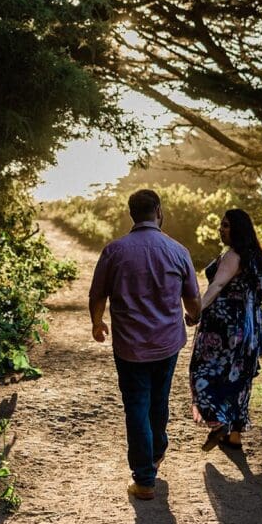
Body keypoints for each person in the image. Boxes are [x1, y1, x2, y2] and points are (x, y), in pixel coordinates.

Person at [89, 189, 201, 500]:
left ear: (131, 214)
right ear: (159, 212)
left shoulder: (114, 251)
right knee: (158, 400)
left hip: (130, 346)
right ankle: (154, 454)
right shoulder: (178, 251)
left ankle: (144, 479)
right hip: (166, 344)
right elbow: (192, 300)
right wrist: (193, 317)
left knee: (137, 405)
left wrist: (97, 323)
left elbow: (97, 294)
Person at [189, 208, 262, 450]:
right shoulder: (257, 256)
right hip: (249, 327)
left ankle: (217, 421)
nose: (220, 229)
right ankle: (234, 435)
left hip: (224, 328)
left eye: (225, 225)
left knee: (202, 371)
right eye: (221, 225)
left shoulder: (233, 256)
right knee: (238, 377)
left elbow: (218, 285)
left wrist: (197, 311)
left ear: (238, 229)